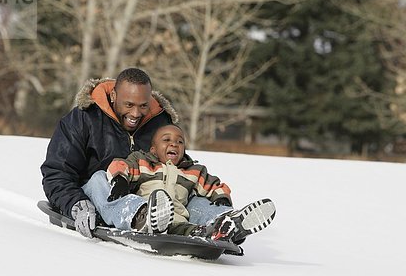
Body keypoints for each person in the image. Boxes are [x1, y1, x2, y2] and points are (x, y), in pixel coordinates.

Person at [41, 68, 236, 238]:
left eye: (143, 106)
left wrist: (211, 192)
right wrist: (76, 203)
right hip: (99, 196)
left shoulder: (160, 122)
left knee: (185, 192)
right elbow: (57, 173)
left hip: (152, 194)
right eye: (129, 105)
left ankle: (222, 221)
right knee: (100, 178)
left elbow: (176, 163)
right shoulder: (83, 119)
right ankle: (140, 217)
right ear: (114, 96)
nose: (136, 113)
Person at [105, 124, 276, 243]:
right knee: (154, 209)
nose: (174, 143)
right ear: (153, 149)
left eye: (180, 142)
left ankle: (226, 223)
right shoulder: (144, 163)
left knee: (194, 227)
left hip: (179, 221)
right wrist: (120, 179)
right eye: (166, 140)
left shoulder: (193, 171)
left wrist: (222, 198)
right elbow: (120, 165)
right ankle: (153, 220)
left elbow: (213, 185)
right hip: (149, 214)